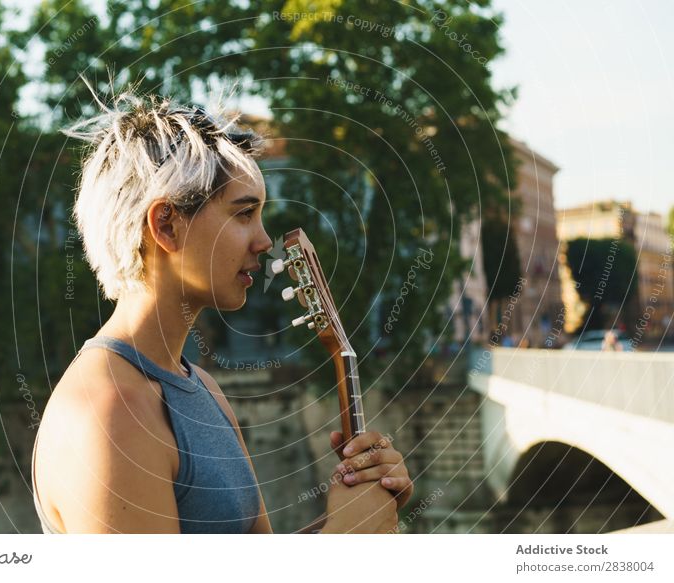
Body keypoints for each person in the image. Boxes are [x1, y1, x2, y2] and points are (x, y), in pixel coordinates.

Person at [31, 85, 413, 534]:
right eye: (243, 214)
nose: (265, 241)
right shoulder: (109, 411)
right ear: (166, 225)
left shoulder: (203, 390)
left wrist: (358, 510)